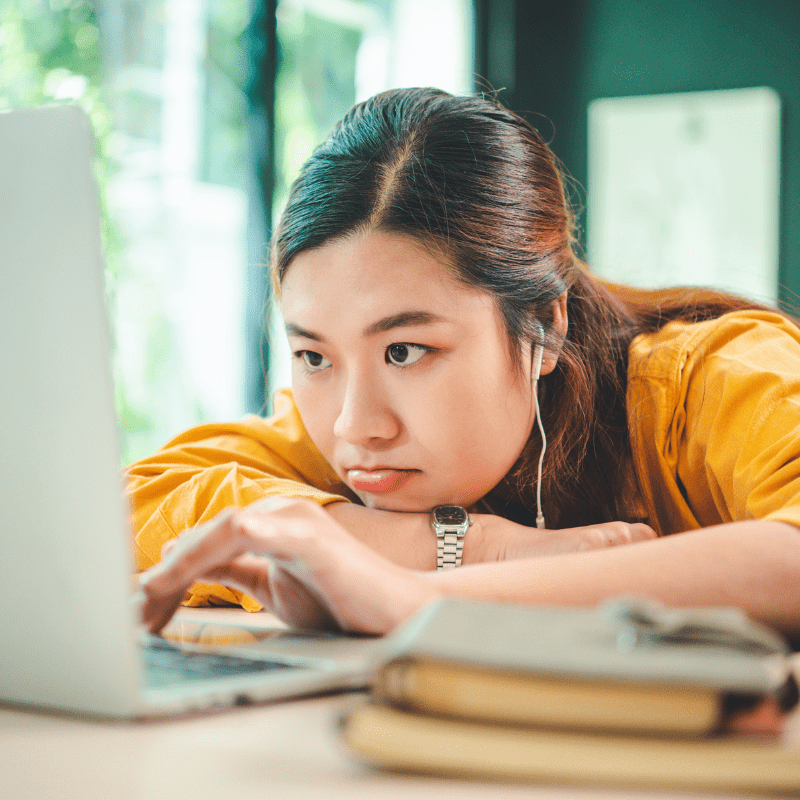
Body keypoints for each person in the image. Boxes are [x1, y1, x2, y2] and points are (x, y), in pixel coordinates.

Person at [131, 87, 800, 640]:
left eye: (405, 351)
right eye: (313, 355)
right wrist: (469, 547)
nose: (356, 427)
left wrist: (414, 600)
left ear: (544, 325)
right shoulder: (342, 421)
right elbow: (126, 509)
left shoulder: (717, 376)